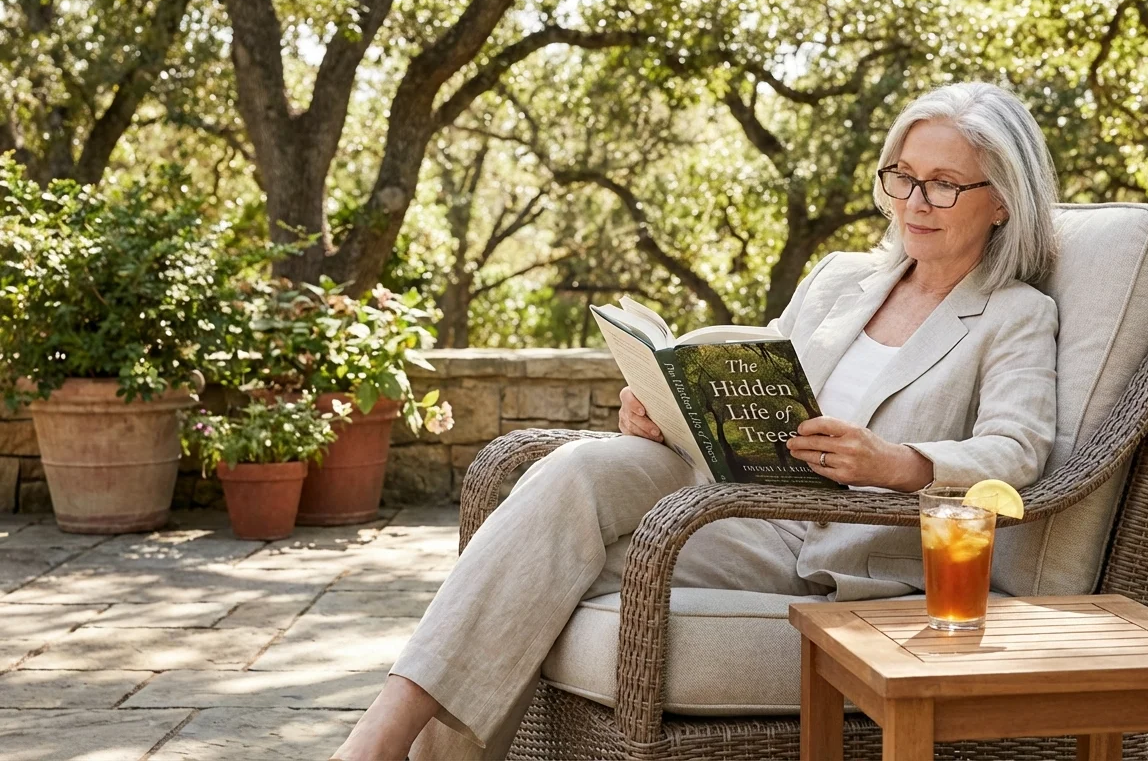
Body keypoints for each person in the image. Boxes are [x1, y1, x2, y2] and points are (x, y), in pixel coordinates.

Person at [332, 81, 1061, 761]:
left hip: (851, 547)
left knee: (531, 566)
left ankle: (374, 747)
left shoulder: (1016, 317)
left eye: (943, 183)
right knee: (572, 479)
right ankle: (381, 741)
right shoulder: (843, 280)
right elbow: (754, 375)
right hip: (745, 509)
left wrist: (895, 462)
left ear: (1002, 201)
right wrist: (668, 408)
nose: (914, 201)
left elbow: (1017, 450)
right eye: (901, 176)